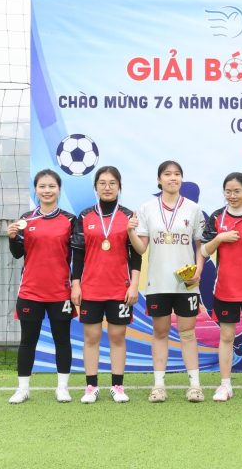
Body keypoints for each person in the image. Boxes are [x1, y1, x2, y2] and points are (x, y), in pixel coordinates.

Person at [127, 160, 206, 403]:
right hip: (158, 283)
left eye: (177, 174)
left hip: (186, 284)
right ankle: (159, 386)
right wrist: (130, 231)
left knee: (188, 333)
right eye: (168, 174)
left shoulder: (193, 209)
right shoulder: (147, 208)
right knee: (160, 333)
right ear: (159, 180)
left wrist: (199, 271)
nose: (173, 178)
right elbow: (141, 248)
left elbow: (200, 245)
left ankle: (195, 386)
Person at [71, 166, 141, 403]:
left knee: (117, 336)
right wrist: (76, 284)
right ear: (95, 187)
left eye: (112, 183)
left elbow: (136, 255)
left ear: (119, 186)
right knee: (91, 337)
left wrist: (134, 285)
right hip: (91, 289)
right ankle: (91, 387)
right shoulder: (84, 216)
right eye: (102, 183)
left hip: (119, 289)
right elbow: (78, 254)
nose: (107, 187)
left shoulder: (129, 216)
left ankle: (117, 386)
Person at [7, 169, 76, 404]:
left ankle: (62, 388)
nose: (47, 190)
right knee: (28, 341)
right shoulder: (25, 219)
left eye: (51, 186)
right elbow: (18, 254)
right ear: (35, 190)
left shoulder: (69, 220)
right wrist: (12, 238)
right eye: (42, 186)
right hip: (30, 291)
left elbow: (77, 257)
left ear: (59, 189)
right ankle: (22, 389)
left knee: (62, 340)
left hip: (60, 292)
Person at [201, 172, 242, 402]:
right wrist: (220, 238)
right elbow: (204, 251)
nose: (232, 195)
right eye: (228, 191)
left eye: (237, 191)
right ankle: (225, 385)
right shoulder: (216, 217)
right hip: (225, 288)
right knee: (227, 336)